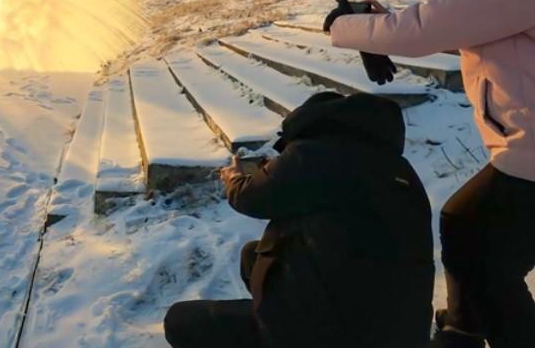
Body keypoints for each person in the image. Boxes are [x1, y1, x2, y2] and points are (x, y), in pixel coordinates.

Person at [325, 0, 535, 348]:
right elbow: (463, 14)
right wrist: (380, 22)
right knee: (475, 237)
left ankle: (472, 333)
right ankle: (464, 331)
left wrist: (343, 26)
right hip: (526, 145)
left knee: (476, 242)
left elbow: (425, 27)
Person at [164, 92, 434, 348]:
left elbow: (249, 197)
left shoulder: (313, 154)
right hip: (401, 331)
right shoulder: (401, 170)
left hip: (333, 336)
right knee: (253, 256)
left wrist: (234, 178)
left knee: (179, 320)